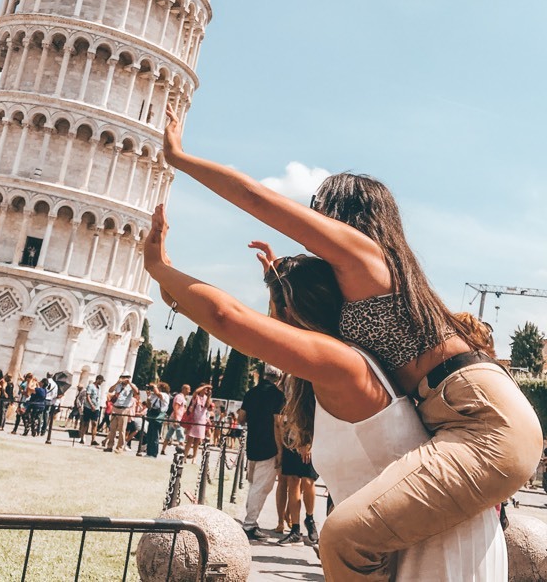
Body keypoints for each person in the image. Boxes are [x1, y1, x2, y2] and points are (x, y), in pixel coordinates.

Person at [157, 105, 543, 578]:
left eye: (319, 205)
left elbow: (259, 200)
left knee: (341, 538)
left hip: (482, 419)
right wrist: (285, 283)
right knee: (349, 537)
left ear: (344, 213)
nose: (312, 215)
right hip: (463, 411)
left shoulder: (365, 256)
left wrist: (180, 158)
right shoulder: (370, 278)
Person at [144, 207, 511, 581]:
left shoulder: (344, 366)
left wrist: (157, 267)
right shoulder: (334, 368)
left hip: (439, 555)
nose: (267, 324)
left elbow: (227, 318)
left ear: (290, 313)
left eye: (273, 312)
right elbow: (226, 322)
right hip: (408, 548)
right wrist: (277, 286)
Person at [237, 364, 285, 540]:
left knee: (253, 483)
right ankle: (249, 524)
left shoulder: (251, 393)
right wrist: (280, 450)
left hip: (253, 442)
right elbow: (277, 423)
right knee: (261, 486)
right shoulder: (278, 396)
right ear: (278, 378)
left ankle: (250, 520)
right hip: (269, 445)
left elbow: (241, 418)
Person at [104, 373, 137, 453]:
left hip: (124, 408)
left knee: (122, 429)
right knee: (112, 428)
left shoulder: (131, 386)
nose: (124, 379)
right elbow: (110, 390)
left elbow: (136, 392)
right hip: (115, 407)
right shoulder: (118, 385)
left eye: (125, 377)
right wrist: (117, 382)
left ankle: (120, 447)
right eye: (122, 377)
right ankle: (110, 446)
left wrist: (129, 383)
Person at [183, 384, 211, 463]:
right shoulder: (196, 397)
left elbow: (207, 405)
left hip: (202, 421)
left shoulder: (206, 398)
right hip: (193, 420)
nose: (206, 391)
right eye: (205, 389)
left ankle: (194, 457)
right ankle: (185, 456)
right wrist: (205, 386)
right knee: (190, 439)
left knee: (197, 441)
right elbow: (195, 392)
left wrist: (209, 396)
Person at [161, 383, 190, 455]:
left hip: (177, 418)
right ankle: (184, 452)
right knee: (180, 434)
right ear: (183, 389)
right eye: (188, 389)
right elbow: (176, 407)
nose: (189, 391)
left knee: (169, 434)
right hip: (177, 418)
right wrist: (176, 418)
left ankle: (163, 449)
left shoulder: (183, 398)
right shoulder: (179, 397)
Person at [145, 381, 170, 457]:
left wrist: (154, 386)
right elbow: (149, 406)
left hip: (159, 415)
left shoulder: (165, 395)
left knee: (155, 435)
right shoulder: (154, 395)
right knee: (150, 434)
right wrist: (148, 397)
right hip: (153, 414)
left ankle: (154, 453)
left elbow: (159, 395)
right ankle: (148, 452)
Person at [80, 375, 105, 446]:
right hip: (88, 407)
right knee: (85, 423)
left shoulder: (99, 388)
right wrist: (91, 405)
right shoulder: (91, 386)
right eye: (101, 381)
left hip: (96, 407)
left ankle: (93, 439)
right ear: (98, 379)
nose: (101, 383)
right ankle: (82, 438)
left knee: (94, 423)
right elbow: (88, 396)